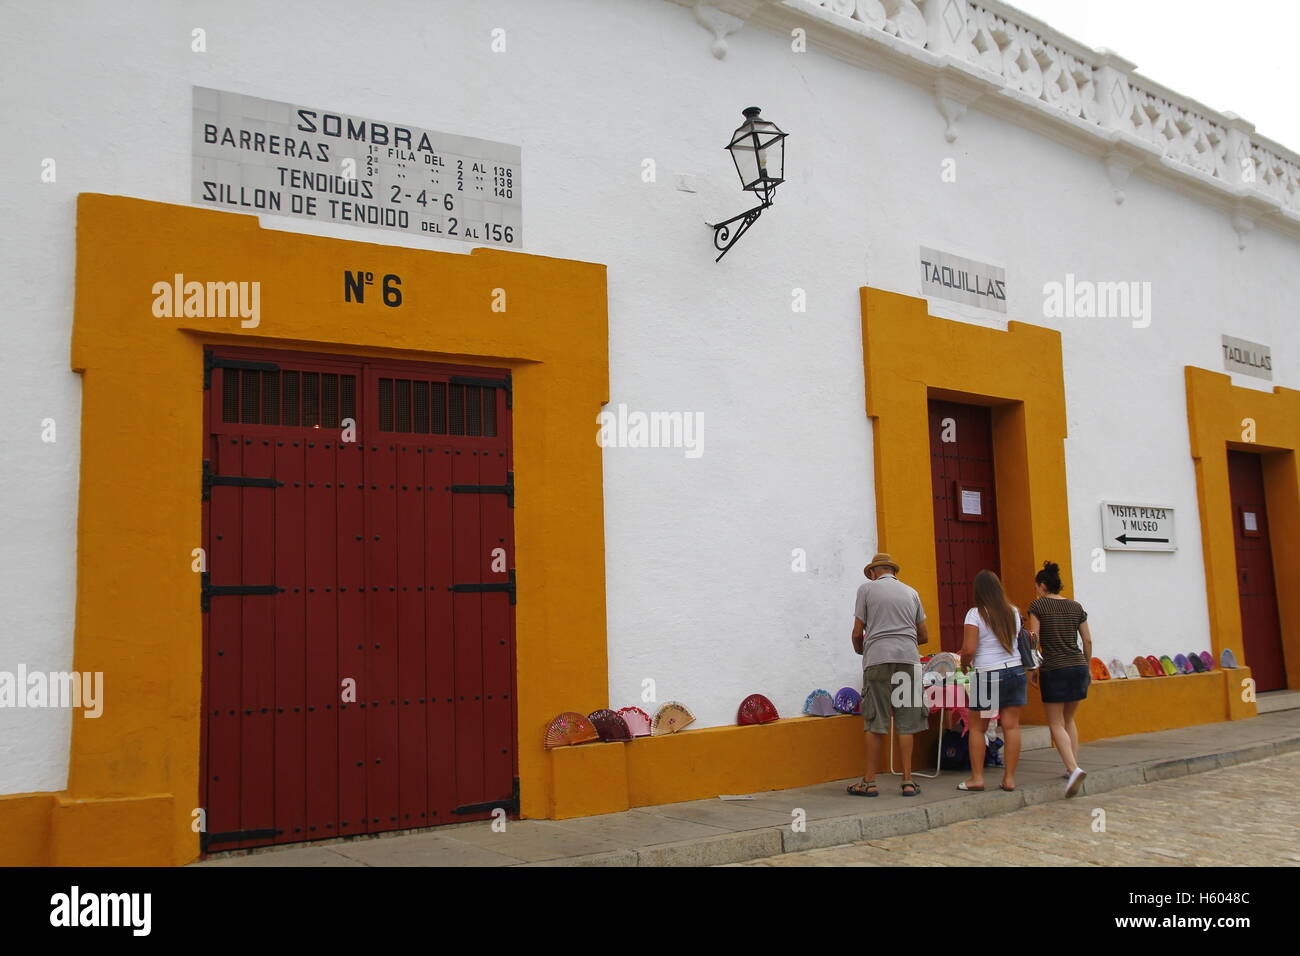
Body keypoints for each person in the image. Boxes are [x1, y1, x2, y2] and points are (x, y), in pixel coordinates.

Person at [847, 553, 930, 798]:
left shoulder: (866, 590)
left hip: (878, 659)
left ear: (874, 572)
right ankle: (907, 781)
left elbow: (856, 632)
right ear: (893, 572)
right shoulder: (911, 592)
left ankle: (869, 782)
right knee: (906, 722)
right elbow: (923, 635)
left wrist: (863, 649)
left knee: (876, 720)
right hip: (908, 658)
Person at [956, 570, 1027, 793]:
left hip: (987, 675)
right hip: (1014, 671)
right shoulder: (1013, 612)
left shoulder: (975, 614)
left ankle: (977, 778)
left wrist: (964, 663)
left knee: (978, 727)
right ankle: (1009, 779)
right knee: (1011, 726)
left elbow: (969, 649)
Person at [1026, 560, 1092, 797]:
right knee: (1069, 719)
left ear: (1043, 585)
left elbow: (1034, 639)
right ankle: (1071, 765)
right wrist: (1088, 665)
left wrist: (1033, 668)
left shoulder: (1038, 605)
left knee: (1055, 722)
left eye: (1037, 586)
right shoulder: (1076, 606)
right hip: (1078, 666)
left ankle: (1073, 769)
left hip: (1054, 668)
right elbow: (1087, 640)